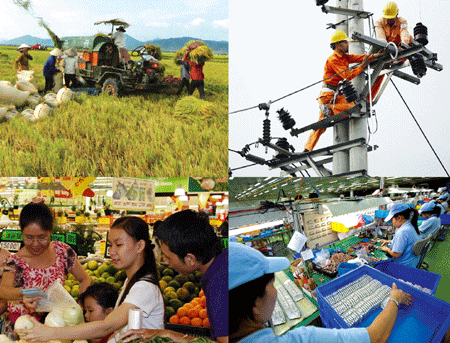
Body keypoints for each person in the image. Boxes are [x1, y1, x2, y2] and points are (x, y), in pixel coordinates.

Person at [18, 216, 164, 343]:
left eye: (119, 245)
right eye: (110, 245)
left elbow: (106, 326)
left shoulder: (144, 287)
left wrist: (51, 332)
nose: (112, 251)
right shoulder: (131, 282)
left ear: (140, 245)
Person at [228, 242, 412, 343]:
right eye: (272, 284)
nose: (275, 291)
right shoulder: (305, 339)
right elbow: (376, 336)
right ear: (254, 304)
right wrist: (394, 299)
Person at [120, 210, 228, 343]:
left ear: (190, 259)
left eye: (168, 256)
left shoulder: (219, 286)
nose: (165, 261)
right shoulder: (223, 264)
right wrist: (167, 334)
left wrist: (167, 334)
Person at [0, 201, 90, 340]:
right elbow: (3, 290)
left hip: (56, 328)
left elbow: (85, 279)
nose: (35, 244)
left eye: (42, 237)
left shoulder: (62, 252)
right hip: (21, 330)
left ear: (50, 231)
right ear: (21, 232)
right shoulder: (14, 261)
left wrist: (78, 308)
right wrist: (24, 294)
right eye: (29, 238)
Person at [303, 30, 385, 152]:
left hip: (334, 94)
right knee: (324, 123)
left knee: (352, 108)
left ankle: (307, 148)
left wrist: (375, 56)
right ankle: (308, 146)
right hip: (327, 95)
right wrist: (362, 66)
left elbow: (359, 57)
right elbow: (347, 75)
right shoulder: (333, 59)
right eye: (345, 42)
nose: (348, 45)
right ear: (337, 44)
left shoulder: (344, 57)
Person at [371, 2, 413, 99]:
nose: (389, 19)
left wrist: (404, 47)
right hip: (385, 50)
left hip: (398, 48)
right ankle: (368, 100)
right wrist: (386, 51)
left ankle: (399, 60)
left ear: (396, 15)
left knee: (410, 39)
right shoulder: (379, 22)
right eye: (387, 17)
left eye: (391, 17)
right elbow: (381, 39)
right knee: (377, 74)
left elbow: (404, 34)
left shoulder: (402, 21)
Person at [376, 202, 421, 268]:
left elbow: (396, 254)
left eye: (392, 220)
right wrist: (389, 241)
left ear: (399, 218)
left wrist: (387, 249)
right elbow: (405, 242)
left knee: (378, 266)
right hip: (413, 261)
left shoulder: (402, 232)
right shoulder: (411, 226)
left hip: (403, 266)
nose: (392, 222)